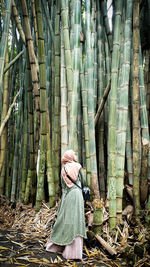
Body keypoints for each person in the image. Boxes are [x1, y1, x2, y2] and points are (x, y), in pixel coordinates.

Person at [46, 149, 87, 260]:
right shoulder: (78, 167)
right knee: (76, 221)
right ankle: (74, 253)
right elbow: (84, 182)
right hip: (77, 195)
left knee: (66, 220)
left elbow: (63, 186)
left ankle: (56, 246)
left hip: (67, 196)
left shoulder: (63, 169)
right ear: (72, 157)